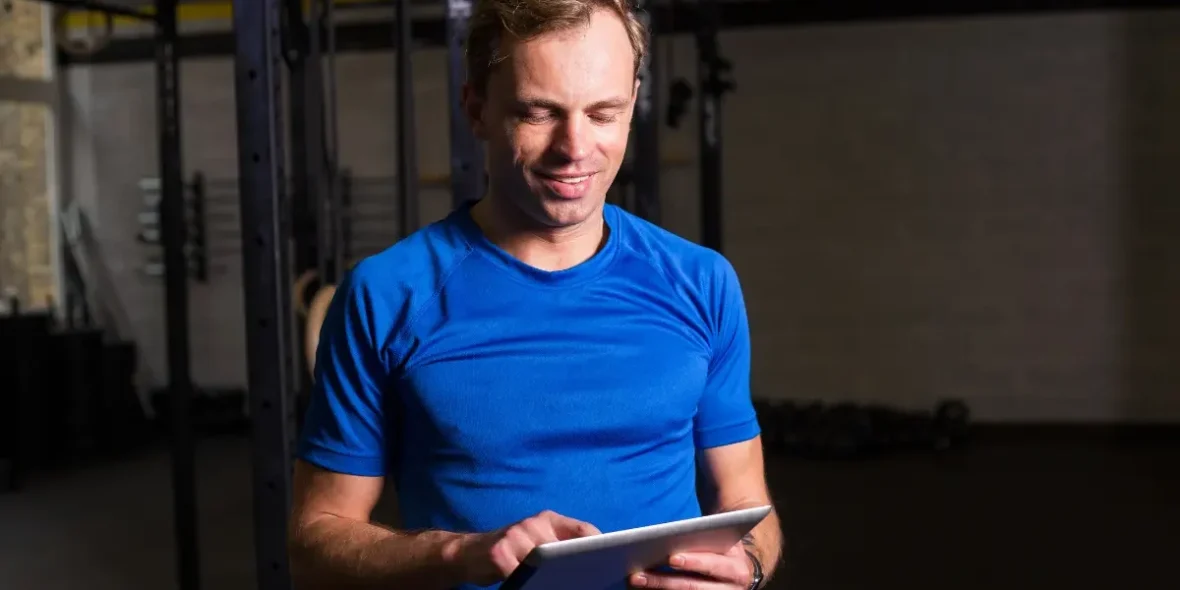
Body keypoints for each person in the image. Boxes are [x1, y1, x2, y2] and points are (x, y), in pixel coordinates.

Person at [288, 1, 783, 588]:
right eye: (539, 113)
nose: (575, 148)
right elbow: (316, 536)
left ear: (632, 107)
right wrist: (459, 554)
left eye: (603, 114)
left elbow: (750, 504)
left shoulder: (703, 282)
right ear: (476, 108)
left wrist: (746, 566)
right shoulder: (386, 295)